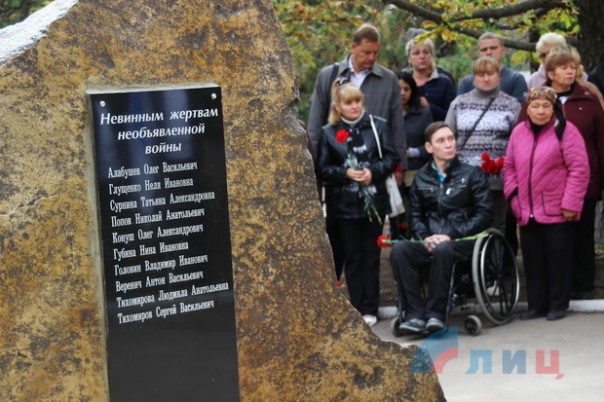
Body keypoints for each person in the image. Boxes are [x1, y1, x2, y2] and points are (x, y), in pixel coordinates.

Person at [307, 23, 405, 285]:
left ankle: (368, 299)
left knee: (371, 246)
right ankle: (339, 294)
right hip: (339, 174)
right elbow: (315, 123)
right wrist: (314, 167)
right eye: (366, 52)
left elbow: (397, 125)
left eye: (375, 53)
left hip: (376, 168)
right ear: (353, 47)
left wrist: (399, 167)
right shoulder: (329, 75)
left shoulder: (388, 79)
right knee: (341, 243)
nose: (371, 58)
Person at [389, 122, 493, 334]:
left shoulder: (472, 174)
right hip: (432, 240)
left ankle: (436, 313)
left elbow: (484, 214)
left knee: (444, 249)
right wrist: (425, 237)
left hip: (464, 241)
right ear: (429, 147)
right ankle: (414, 314)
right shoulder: (421, 177)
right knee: (400, 249)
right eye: (441, 141)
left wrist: (452, 234)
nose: (448, 144)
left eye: (451, 139)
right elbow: (415, 216)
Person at [518, 46, 604, 300]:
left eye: (572, 67)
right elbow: (522, 137)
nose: (570, 72)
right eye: (564, 68)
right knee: (555, 240)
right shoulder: (535, 100)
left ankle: (584, 286)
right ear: (550, 73)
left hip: (585, 180)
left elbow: (601, 141)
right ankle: (556, 291)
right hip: (547, 183)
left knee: (583, 236)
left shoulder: (589, 99)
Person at [318, 83, 400, 327]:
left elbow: (392, 157)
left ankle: (371, 306)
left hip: (374, 201)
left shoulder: (378, 125)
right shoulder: (328, 132)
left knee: (372, 254)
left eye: (357, 101)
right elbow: (322, 169)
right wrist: (345, 173)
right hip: (343, 206)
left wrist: (372, 171)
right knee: (353, 257)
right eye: (348, 102)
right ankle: (359, 307)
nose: (354, 106)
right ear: (338, 106)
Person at [504, 86, 589, 320]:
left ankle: (557, 304)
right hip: (526, 210)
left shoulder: (566, 131)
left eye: (545, 106)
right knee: (533, 261)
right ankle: (536, 305)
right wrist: (514, 200)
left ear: (554, 108)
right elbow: (509, 168)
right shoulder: (518, 132)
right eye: (535, 106)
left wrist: (571, 203)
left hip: (558, 209)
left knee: (558, 260)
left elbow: (579, 169)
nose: (540, 111)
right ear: (527, 109)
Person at [445, 56, 520, 231]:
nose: (486, 79)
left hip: (498, 178)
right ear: (473, 78)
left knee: (496, 224)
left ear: (499, 76)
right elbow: (447, 137)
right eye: (481, 74)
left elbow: (518, 141)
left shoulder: (512, 105)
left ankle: (496, 250)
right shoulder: (459, 103)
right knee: (466, 223)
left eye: (490, 74)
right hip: (465, 177)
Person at [457, 32, 528, 103]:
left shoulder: (515, 79)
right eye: (484, 49)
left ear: (503, 50)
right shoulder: (467, 82)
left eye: (493, 48)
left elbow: (521, 108)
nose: (489, 52)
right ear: (478, 53)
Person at [404, 38, 456, 121]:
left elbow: (454, 116)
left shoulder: (444, 82)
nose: (422, 56)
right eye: (416, 53)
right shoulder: (401, 82)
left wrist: (429, 107)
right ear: (409, 59)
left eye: (426, 52)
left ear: (431, 55)